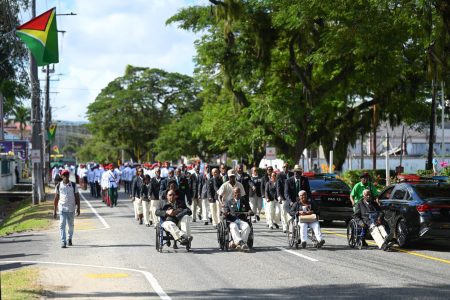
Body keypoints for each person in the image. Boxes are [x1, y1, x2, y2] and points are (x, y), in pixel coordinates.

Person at [53, 170, 80, 248]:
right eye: (64, 175)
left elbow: (77, 197)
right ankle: (63, 241)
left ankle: (69, 238)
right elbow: (56, 198)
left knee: (71, 225)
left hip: (71, 208)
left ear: (69, 176)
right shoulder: (58, 186)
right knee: (62, 224)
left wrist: (78, 208)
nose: (65, 177)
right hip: (62, 208)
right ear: (61, 176)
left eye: (67, 175)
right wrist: (54, 210)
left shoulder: (73, 185)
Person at [277, 162, 293, 232]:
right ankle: (284, 226)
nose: (285, 168)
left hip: (291, 196)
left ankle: (290, 226)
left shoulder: (292, 174)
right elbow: (278, 187)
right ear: (282, 168)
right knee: (283, 212)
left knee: (290, 212)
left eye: (287, 167)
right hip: (283, 196)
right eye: (284, 167)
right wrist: (279, 196)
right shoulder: (279, 175)